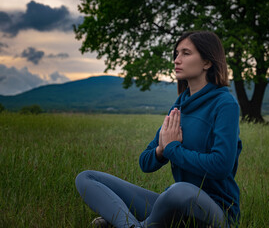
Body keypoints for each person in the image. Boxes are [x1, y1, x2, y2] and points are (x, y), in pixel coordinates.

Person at [75, 30, 242, 228]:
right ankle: (131, 225)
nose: (177, 60)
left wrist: (172, 149)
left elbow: (221, 166)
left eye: (186, 53)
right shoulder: (179, 107)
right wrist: (161, 151)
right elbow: (145, 162)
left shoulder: (225, 104)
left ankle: (129, 222)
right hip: (174, 206)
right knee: (86, 178)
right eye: (176, 54)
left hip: (215, 212)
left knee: (178, 191)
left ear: (207, 62)